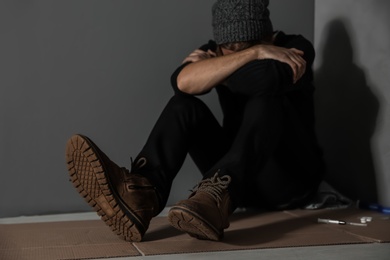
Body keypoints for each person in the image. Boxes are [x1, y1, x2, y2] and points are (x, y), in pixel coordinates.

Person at [65, 0, 325, 242]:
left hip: (287, 182)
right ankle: (141, 194)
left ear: (268, 36)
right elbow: (182, 82)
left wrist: (217, 68)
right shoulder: (236, 49)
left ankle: (217, 195)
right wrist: (255, 53)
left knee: (268, 98)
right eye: (228, 49)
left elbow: (267, 79)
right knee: (184, 105)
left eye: (247, 45)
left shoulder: (295, 47)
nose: (236, 51)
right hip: (236, 189)